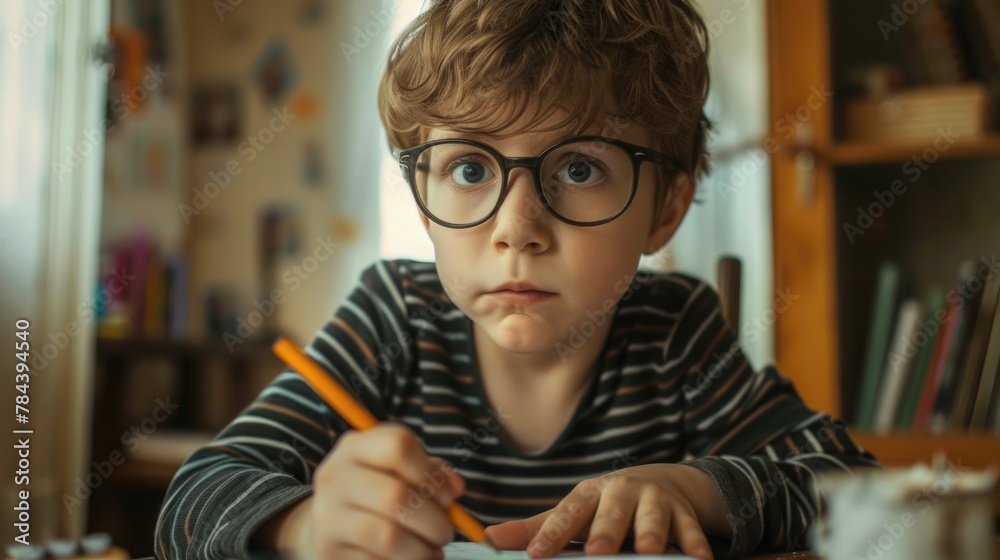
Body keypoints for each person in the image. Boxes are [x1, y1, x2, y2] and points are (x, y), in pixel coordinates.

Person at [154, 1, 878, 558]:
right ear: (423, 200)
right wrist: (306, 524)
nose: (517, 227)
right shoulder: (392, 316)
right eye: (470, 169)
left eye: (579, 168)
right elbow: (194, 497)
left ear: (667, 208)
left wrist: (694, 487)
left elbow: (855, 486)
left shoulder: (675, 333)